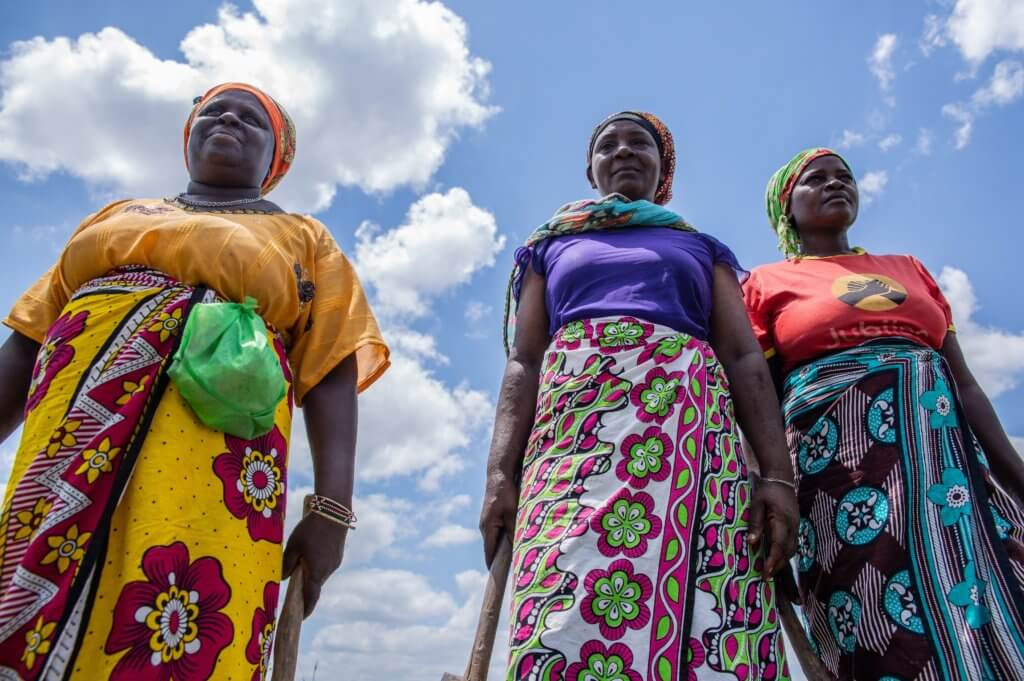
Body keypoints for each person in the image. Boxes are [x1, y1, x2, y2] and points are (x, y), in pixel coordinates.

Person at [0, 82, 389, 679]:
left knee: (176, 611)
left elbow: (331, 370)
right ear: (188, 139)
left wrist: (331, 511)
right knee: (29, 589)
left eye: (252, 120)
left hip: (211, 461)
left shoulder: (304, 239)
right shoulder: (115, 215)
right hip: (66, 441)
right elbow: (28, 339)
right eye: (212, 112)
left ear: (275, 159)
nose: (228, 119)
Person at [481, 111, 798, 681]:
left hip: (691, 446)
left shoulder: (700, 248)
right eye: (608, 144)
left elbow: (745, 357)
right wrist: (500, 475)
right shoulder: (551, 245)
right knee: (561, 598)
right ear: (590, 168)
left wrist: (775, 477)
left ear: (663, 167)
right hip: (575, 442)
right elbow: (523, 361)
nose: (623, 151)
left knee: (706, 607)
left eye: (639, 144)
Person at [743, 147, 1024, 680]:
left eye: (843, 176)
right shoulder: (766, 283)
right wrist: (769, 483)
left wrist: (1019, 479)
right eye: (816, 179)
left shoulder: (909, 270)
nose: (835, 184)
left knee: (995, 585)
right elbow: (757, 395)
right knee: (873, 608)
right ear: (786, 206)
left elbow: (964, 383)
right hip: (842, 476)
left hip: (949, 467)